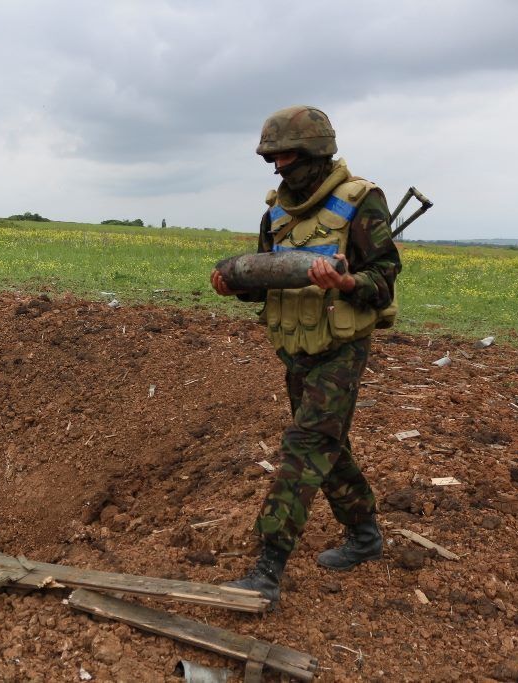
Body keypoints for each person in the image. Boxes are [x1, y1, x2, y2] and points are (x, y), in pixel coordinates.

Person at [211, 105, 401, 606]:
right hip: (296, 350)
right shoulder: (275, 213)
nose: (278, 167)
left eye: (287, 156)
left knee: (305, 445)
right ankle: (364, 535)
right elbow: (265, 282)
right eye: (272, 159)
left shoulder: (362, 201)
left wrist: (345, 281)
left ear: (317, 153)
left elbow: (383, 281)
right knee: (328, 445)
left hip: (340, 348)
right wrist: (233, 286)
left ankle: (267, 569)